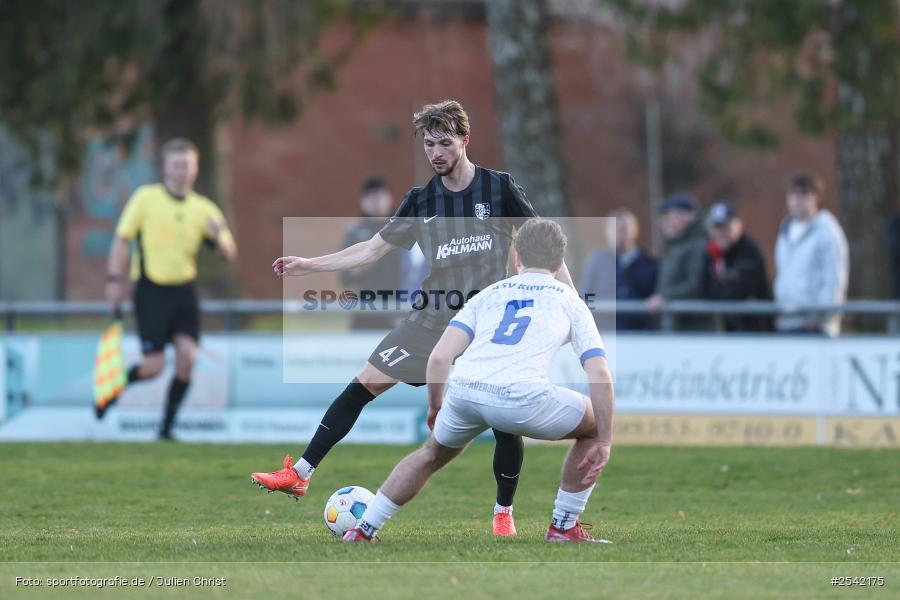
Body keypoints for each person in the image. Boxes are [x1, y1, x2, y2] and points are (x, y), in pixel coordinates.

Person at [250, 100, 577, 536]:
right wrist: (308, 264)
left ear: (465, 140)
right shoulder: (421, 201)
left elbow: (543, 247)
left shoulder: (499, 189)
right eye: (428, 144)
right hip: (430, 321)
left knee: (502, 421)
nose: (436, 152)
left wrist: (571, 303)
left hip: (487, 326)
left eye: (444, 143)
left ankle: (503, 513)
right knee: (361, 385)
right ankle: (302, 472)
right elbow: (370, 249)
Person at [342, 219, 615, 544]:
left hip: (465, 392)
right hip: (522, 399)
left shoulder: (490, 294)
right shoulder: (572, 302)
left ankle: (363, 529)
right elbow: (598, 373)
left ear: (517, 259)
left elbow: (440, 357)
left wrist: (436, 406)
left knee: (430, 454)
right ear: (559, 263)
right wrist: (605, 440)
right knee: (595, 426)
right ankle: (563, 526)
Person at [101, 138, 238, 439]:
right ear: (165, 169)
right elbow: (122, 240)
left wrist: (219, 238)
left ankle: (166, 430)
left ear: (195, 169)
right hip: (151, 290)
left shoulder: (204, 209)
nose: (181, 171)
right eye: (176, 165)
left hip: (183, 291)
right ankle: (113, 388)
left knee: (187, 359)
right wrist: (114, 280)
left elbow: (230, 251)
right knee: (154, 366)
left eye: (187, 165)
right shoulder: (146, 199)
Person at [774, 174, 849, 336]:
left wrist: (821, 317)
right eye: (793, 194)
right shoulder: (785, 230)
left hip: (813, 325)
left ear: (816, 198)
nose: (798, 200)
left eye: (804, 194)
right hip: (786, 321)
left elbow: (833, 279)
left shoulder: (827, 232)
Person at [340, 176, 406, 330]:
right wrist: (362, 264)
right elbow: (344, 277)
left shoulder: (403, 230)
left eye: (381, 196)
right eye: (372, 197)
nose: (377, 202)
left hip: (397, 306)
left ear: (390, 199)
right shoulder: (355, 232)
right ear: (363, 202)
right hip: (365, 307)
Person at [580, 209, 657, 330]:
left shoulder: (649, 261)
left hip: (640, 333)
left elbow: (656, 295)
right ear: (606, 232)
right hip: (605, 331)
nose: (620, 233)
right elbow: (586, 293)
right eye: (615, 229)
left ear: (635, 230)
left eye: (624, 228)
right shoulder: (597, 261)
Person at [646, 193, 713, 330]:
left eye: (668, 218)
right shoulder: (676, 246)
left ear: (688, 216)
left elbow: (695, 285)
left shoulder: (698, 245)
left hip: (693, 329)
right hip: (676, 326)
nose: (664, 224)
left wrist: (664, 297)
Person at [704, 202, 773, 331]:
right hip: (729, 328)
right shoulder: (712, 253)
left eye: (726, 227)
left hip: (756, 330)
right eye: (717, 228)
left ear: (738, 225)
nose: (721, 233)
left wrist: (720, 290)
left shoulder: (749, 251)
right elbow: (705, 289)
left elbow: (740, 291)